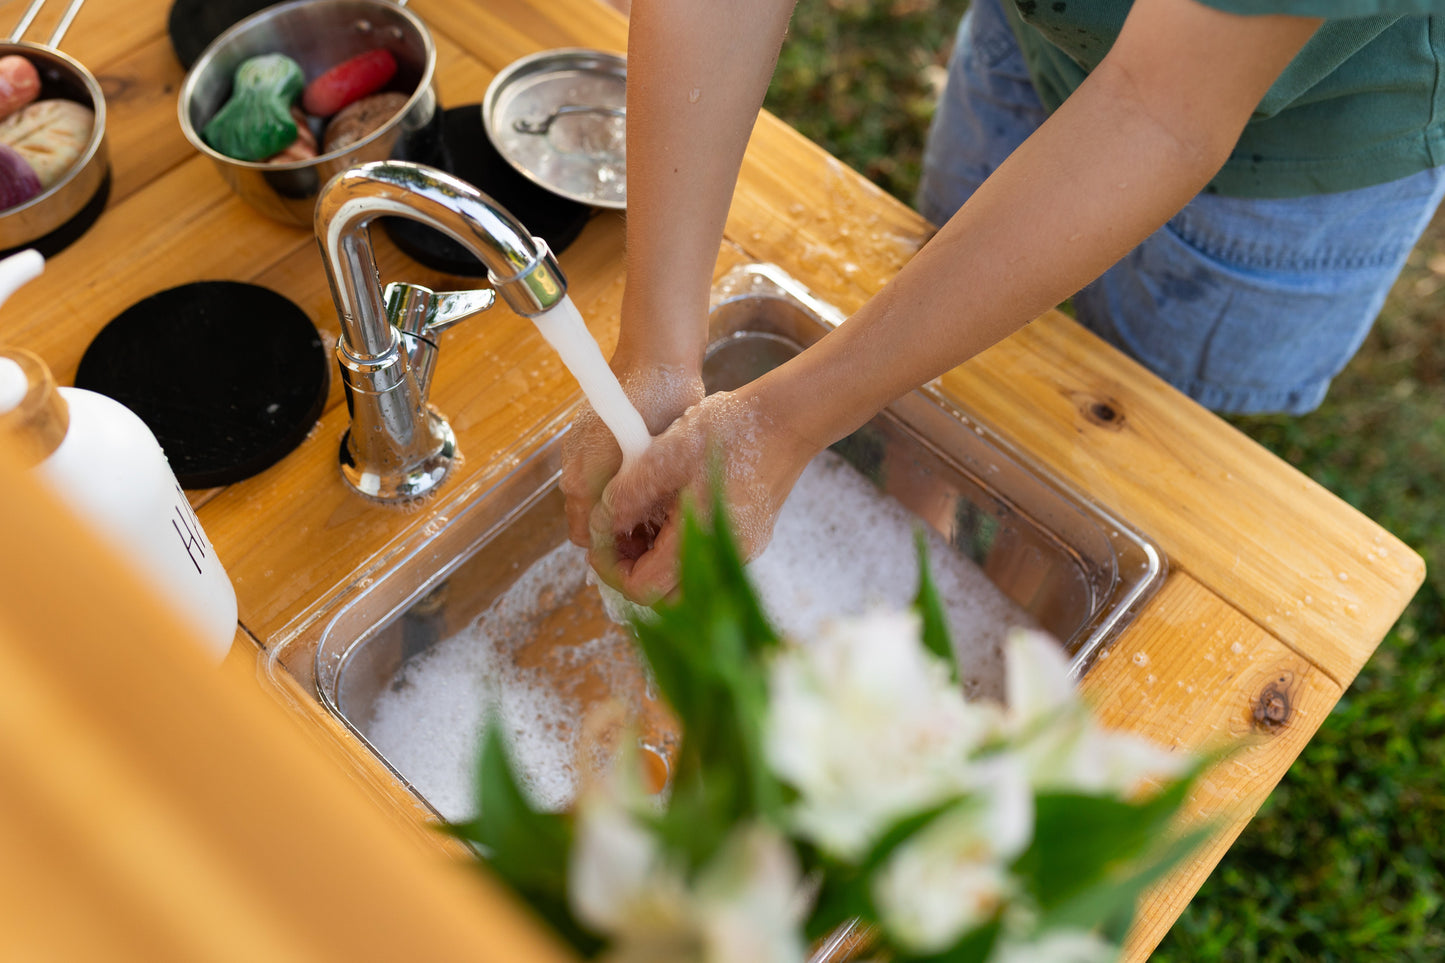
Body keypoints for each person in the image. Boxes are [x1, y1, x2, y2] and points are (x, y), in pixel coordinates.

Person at [561, 0, 1445, 603]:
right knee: (940, 394)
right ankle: (915, 550)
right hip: (1040, 35)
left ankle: (1006, 611)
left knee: (1086, 480)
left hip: (1302, 140)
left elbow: (1160, 109)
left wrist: (787, 422)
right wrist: (656, 347)